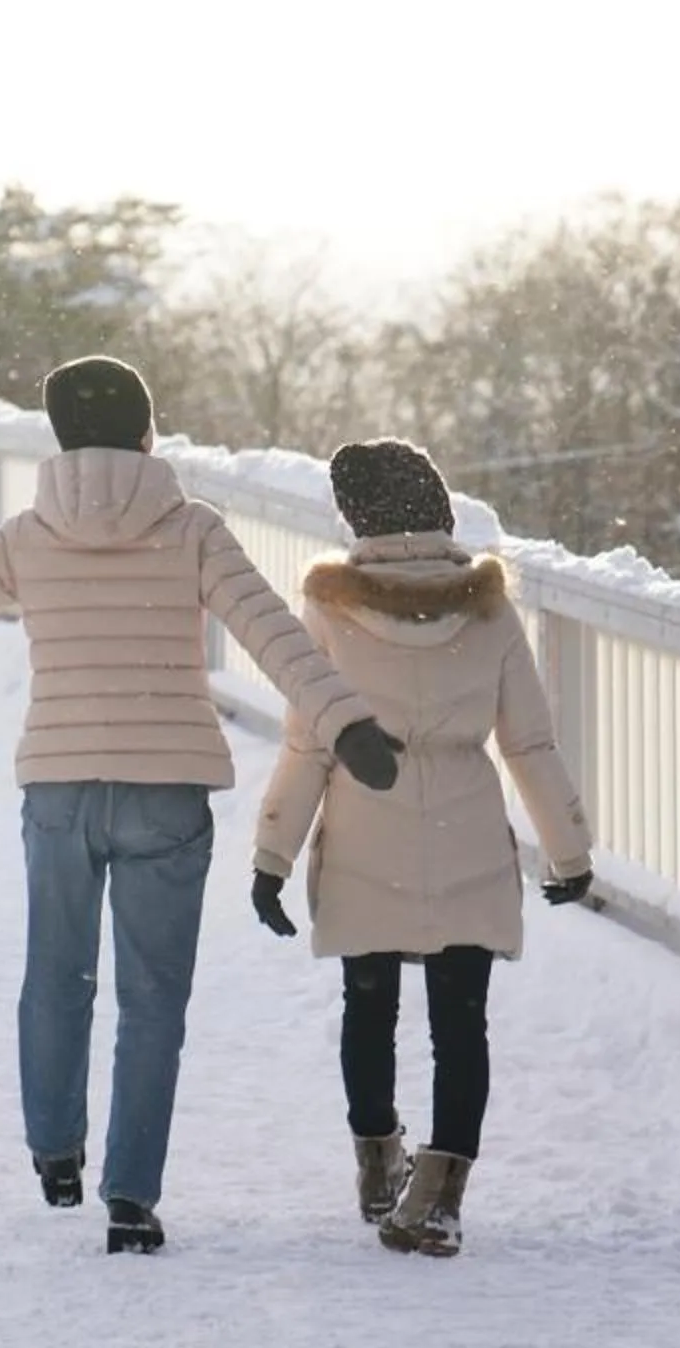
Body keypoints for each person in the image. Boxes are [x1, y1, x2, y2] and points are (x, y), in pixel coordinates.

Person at [0, 356, 398, 1255]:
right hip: (166, 791)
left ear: (58, 438)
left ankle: (54, 1150)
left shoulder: (29, 534)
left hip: (60, 787)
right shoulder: (192, 528)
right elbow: (274, 635)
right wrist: (348, 721)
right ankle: (130, 1198)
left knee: (56, 973)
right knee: (153, 999)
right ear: (146, 432)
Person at [248, 438, 594, 1259]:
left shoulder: (332, 609)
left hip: (368, 830)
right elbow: (530, 744)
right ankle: (438, 1197)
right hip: (468, 831)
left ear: (357, 518)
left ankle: (378, 1167)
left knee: (369, 1009)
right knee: (460, 1024)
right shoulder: (489, 608)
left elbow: (310, 743)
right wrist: (569, 852)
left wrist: (273, 859)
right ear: (439, 509)